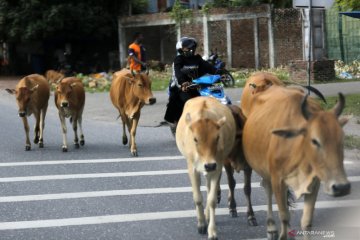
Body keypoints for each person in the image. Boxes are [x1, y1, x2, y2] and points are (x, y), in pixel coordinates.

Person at [164, 37, 217, 124]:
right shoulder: (178, 59)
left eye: (191, 47)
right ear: (181, 50)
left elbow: (208, 67)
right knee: (189, 102)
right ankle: (186, 122)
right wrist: (183, 82)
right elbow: (177, 73)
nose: (190, 49)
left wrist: (220, 72)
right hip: (182, 87)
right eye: (186, 48)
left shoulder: (197, 58)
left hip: (196, 85)